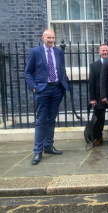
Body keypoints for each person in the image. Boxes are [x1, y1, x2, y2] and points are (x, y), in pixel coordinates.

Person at [25, 29, 69, 165]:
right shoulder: (35, 52)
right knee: (41, 120)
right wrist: (34, 87)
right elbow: (27, 72)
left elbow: (61, 69)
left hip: (57, 89)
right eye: (48, 38)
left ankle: (48, 146)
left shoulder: (59, 52)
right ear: (43, 38)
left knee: (51, 119)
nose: (51, 40)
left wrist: (64, 81)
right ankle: (37, 151)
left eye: (53, 38)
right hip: (42, 89)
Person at [89, 44, 108, 146]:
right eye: (103, 51)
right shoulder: (93, 66)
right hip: (98, 96)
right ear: (99, 52)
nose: (105, 52)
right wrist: (92, 98)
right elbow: (91, 82)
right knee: (99, 118)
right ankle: (98, 137)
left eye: (106, 50)